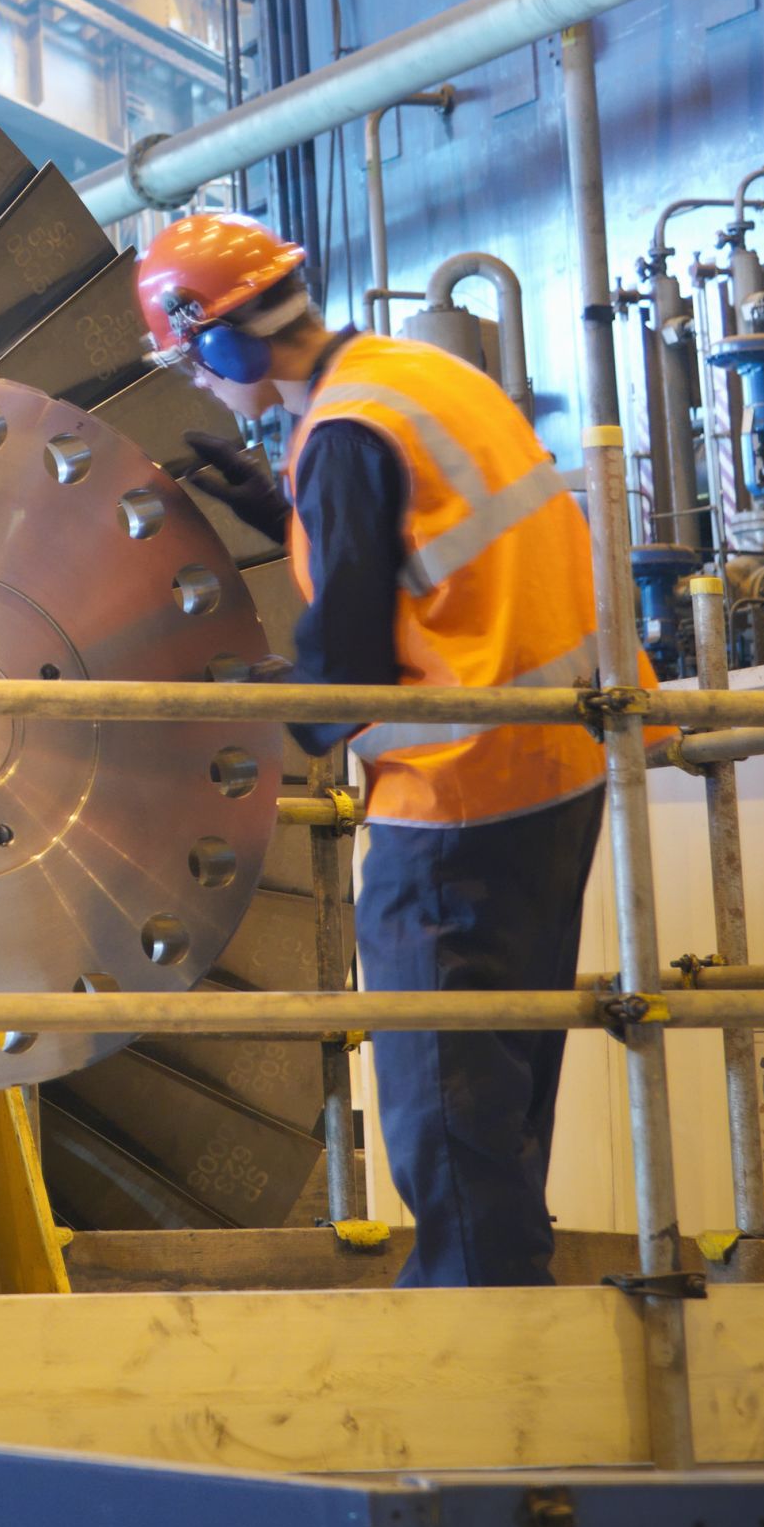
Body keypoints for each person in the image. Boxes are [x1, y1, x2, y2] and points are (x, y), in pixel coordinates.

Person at [137, 210, 618, 1288]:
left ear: (223, 340)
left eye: (192, 360)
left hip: (456, 801)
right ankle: (513, 1304)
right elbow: (429, 550)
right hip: (558, 775)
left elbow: (345, 673)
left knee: (442, 1099)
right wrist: (280, 503)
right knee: (504, 1089)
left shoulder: (345, 434)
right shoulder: (417, 377)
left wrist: (252, 699)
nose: (199, 385)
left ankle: (481, 1341)